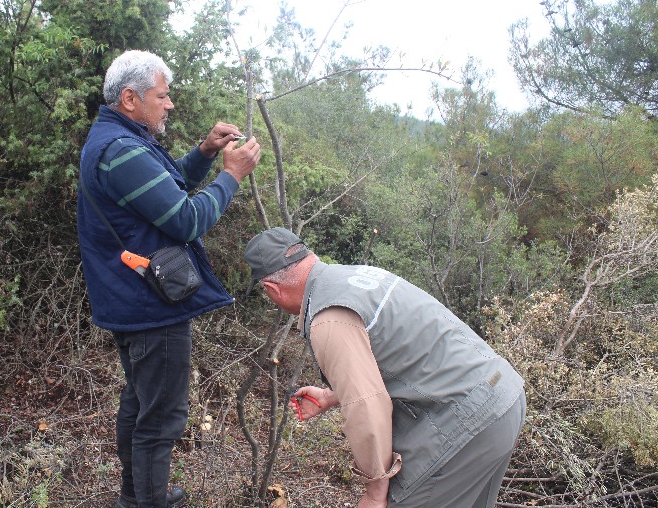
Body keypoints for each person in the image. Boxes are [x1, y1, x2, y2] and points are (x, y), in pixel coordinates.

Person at [77, 49, 260, 508]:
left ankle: (136, 496)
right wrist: (231, 176)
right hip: (149, 305)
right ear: (130, 98)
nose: (170, 104)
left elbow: (162, 187)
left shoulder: (118, 141)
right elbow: (184, 220)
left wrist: (203, 153)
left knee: (141, 406)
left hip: (130, 298)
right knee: (160, 418)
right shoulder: (120, 150)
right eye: (163, 95)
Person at [244, 227, 526, 508]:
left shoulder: (328, 317)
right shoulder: (359, 277)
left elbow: (367, 406)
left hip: (468, 422)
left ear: (273, 290)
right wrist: (332, 396)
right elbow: (403, 351)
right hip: (503, 398)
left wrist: (375, 491)